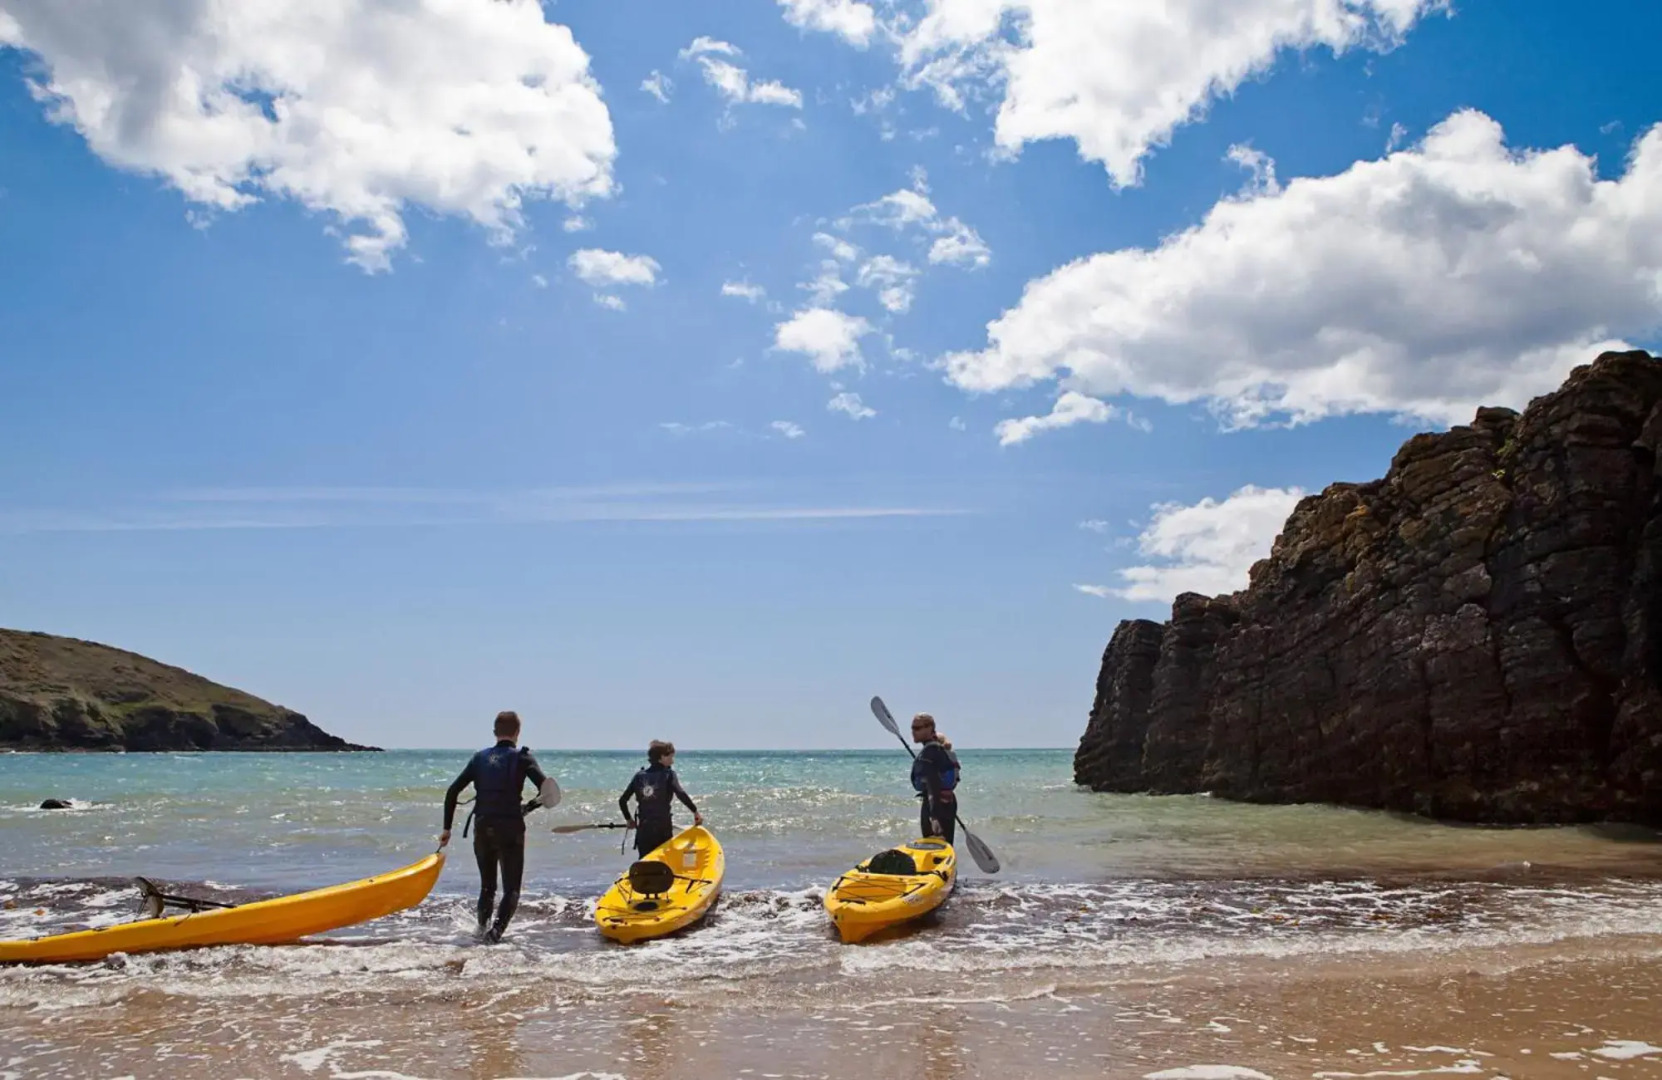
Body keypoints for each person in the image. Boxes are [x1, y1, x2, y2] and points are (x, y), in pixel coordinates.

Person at [439, 710, 548, 944]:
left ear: (494, 732)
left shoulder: (479, 758)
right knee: (511, 889)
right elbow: (548, 790)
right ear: (518, 732)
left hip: (482, 827)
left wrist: (447, 829)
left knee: (487, 886)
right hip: (510, 828)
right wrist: (528, 807)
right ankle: (495, 935)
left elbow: (452, 791)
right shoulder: (523, 757)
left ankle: (480, 931)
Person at [618, 740, 703, 858]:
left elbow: (622, 801)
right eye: (671, 757)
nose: (672, 761)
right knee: (664, 863)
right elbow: (680, 793)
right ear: (662, 757)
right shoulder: (668, 774)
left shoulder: (639, 776)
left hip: (644, 830)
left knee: (645, 863)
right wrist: (695, 811)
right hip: (662, 829)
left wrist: (629, 819)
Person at [910, 712, 960, 846]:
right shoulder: (937, 749)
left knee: (935, 852)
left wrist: (934, 816)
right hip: (948, 803)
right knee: (945, 848)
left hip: (935, 806)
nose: (913, 732)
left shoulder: (929, 753)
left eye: (917, 728)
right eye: (912, 728)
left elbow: (933, 784)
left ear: (929, 728)